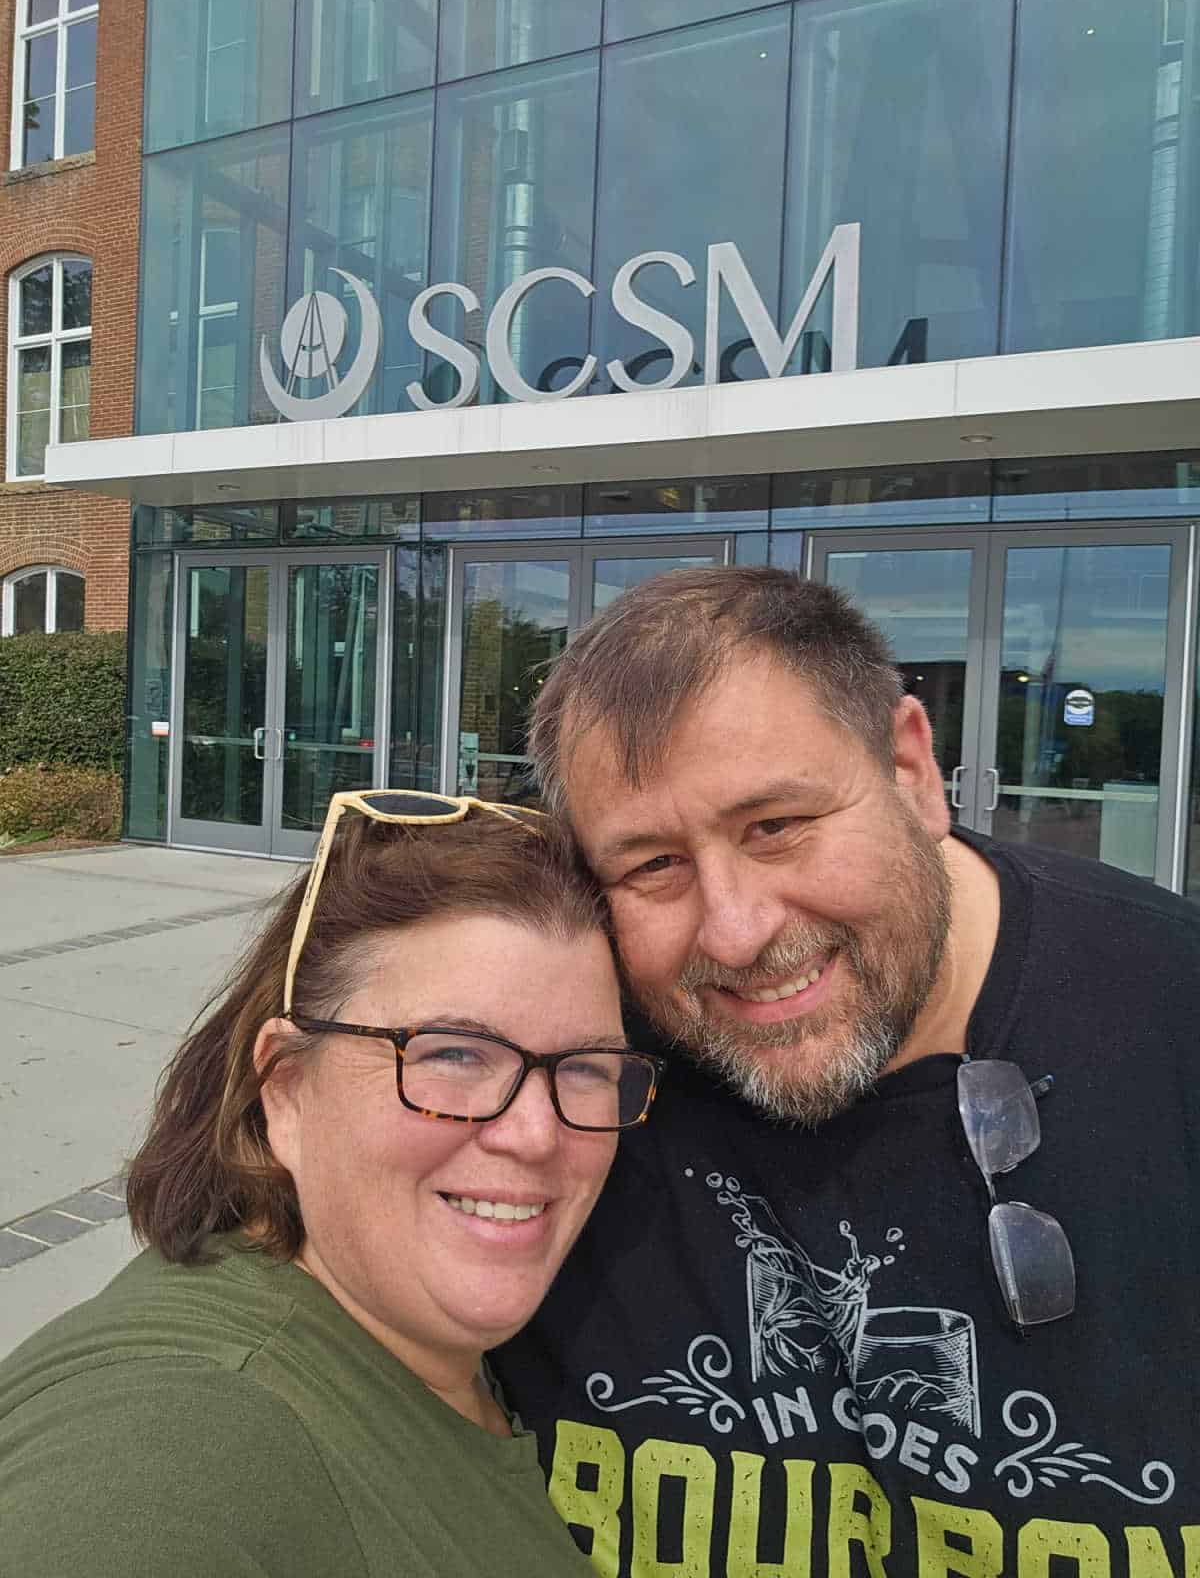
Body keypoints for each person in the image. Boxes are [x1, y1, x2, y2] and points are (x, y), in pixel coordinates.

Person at [492, 567, 1200, 1576]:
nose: (735, 932)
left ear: (914, 770)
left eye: (775, 825)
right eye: (651, 866)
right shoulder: (559, 1067)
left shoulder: (1174, 1022)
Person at [0, 791, 664, 1577]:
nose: (535, 1135)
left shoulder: (442, 1347)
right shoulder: (172, 1437)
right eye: (451, 1055)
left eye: (584, 1068)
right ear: (285, 1088)